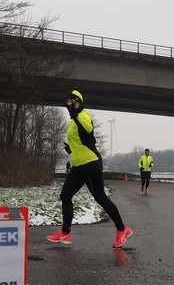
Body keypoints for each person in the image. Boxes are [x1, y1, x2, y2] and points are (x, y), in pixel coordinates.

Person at [46, 90, 133, 247]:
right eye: (67, 103)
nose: (69, 105)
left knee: (100, 197)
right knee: (65, 196)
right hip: (78, 164)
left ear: (78, 102)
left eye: (71, 102)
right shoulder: (72, 121)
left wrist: (76, 114)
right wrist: (70, 147)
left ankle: (122, 229)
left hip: (90, 162)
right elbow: (80, 139)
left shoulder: (84, 115)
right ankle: (65, 234)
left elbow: (87, 129)